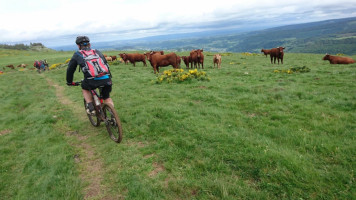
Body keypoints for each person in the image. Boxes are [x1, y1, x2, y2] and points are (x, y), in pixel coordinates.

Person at [66, 36, 113, 114]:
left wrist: (69, 82)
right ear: (89, 44)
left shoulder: (77, 54)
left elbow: (70, 69)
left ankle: (91, 108)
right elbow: (105, 64)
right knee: (107, 97)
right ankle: (113, 116)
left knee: (85, 87)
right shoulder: (97, 52)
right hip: (106, 78)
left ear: (78, 46)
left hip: (91, 80)